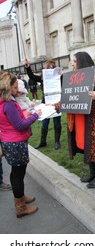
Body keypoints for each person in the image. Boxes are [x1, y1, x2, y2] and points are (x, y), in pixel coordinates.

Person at [0, 72, 42, 218]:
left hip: (9, 141)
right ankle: (21, 207)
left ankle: (21, 198)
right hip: (15, 143)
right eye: (15, 87)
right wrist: (35, 115)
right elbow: (19, 125)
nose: (17, 90)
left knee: (16, 173)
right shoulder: (9, 104)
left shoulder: (3, 101)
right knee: (18, 175)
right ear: (7, 87)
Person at [67, 51, 95, 188]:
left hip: (94, 121)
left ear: (82, 62)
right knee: (87, 146)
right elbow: (69, 96)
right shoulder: (73, 78)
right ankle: (92, 173)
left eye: (75, 61)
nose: (72, 64)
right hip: (81, 119)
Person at [24, 59, 62, 150]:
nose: (51, 69)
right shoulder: (43, 78)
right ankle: (43, 141)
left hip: (56, 102)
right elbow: (32, 76)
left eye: (53, 67)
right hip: (46, 103)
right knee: (44, 123)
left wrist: (62, 75)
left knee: (57, 123)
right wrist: (27, 67)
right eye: (49, 67)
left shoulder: (59, 77)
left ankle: (57, 142)